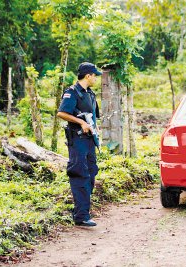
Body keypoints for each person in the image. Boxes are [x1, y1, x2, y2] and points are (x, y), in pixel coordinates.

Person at [57, 62, 102, 227]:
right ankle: (81, 216)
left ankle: (81, 210)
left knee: (91, 172)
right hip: (77, 140)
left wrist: (95, 131)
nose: (96, 78)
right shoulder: (72, 93)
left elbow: (94, 117)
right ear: (88, 75)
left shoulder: (90, 94)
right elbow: (61, 113)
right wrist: (80, 122)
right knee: (79, 173)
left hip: (90, 140)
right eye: (94, 75)